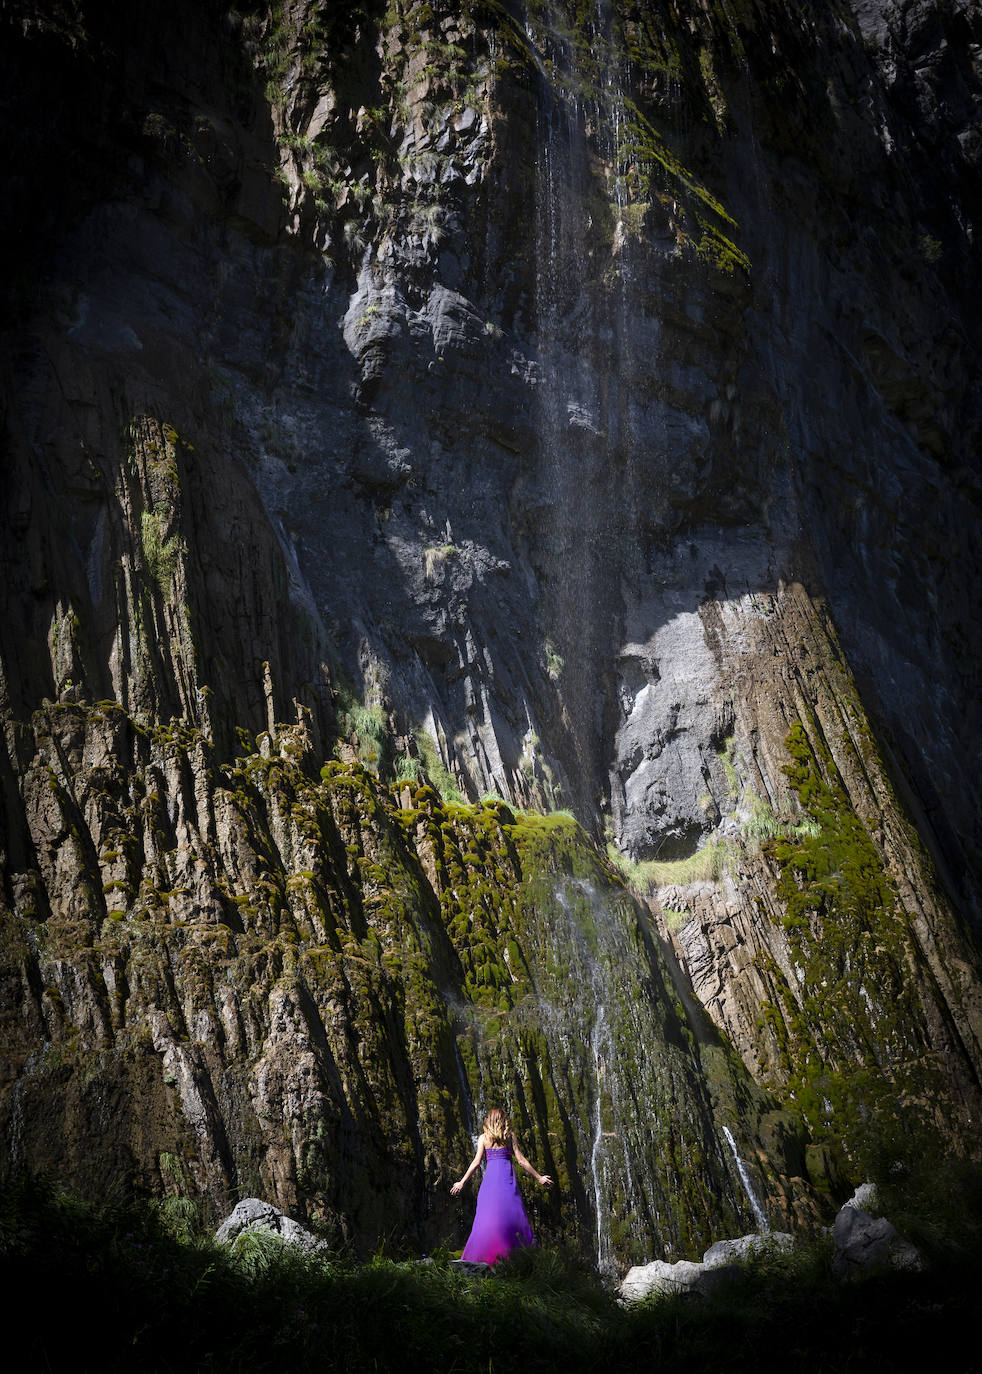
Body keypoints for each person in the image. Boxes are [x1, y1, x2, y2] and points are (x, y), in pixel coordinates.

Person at [451, 1107, 553, 1264]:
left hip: (490, 1181)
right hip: (507, 1179)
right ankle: (522, 1257)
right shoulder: (509, 1136)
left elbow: (476, 1163)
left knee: (486, 1217)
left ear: (489, 1120)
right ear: (502, 1120)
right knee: (514, 1213)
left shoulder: (483, 1138)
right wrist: (539, 1178)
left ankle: (480, 1257)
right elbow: (521, 1160)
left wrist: (462, 1182)